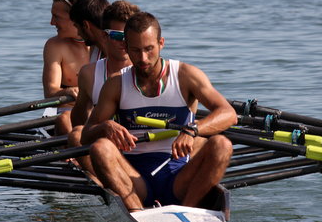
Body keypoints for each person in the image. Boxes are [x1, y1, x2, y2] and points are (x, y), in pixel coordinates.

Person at [81, 12, 237, 211]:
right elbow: (86, 136)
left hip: (177, 175)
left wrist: (192, 130)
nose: (143, 58)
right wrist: (105, 126)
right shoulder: (116, 85)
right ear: (126, 48)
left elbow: (229, 114)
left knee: (221, 144)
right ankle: (137, 214)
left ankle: (188, 210)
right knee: (100, 147)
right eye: (136, 51)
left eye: (149, 49)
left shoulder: (185, 76)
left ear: (161, 43)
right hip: (134, 179)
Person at [68, 0, 141, 175]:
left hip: (141, 144)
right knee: (76, 134)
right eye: (117, 36)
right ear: (104, 35)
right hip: (106, 149)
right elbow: (79, 123)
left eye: (128, 36)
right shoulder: (89, 74)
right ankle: (103, 182)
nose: (124, 42)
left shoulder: (147, 69)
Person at [42, 0, 96, 134]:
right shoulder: (55, 46)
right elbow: (50, 94)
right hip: (66, 117)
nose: (52, 23)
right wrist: (65, 92)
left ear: (76, 19)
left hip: (99, 114)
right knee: (64, 119)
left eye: (57, 17)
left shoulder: (103, 43)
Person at [68, 0, 110, 64]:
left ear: (85, 25)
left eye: (77, 27)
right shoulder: (95, 49)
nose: (78, 33)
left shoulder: (119, 53)